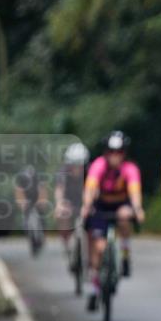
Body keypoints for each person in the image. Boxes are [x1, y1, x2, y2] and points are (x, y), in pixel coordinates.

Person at [80, 132, 145, 311]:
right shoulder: (98, 165)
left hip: (120, 204)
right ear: (106, 152)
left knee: (125, 216)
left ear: (124, 153)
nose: (115, 156)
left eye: (119, 152)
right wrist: (86, 206)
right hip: (101, 205)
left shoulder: (130, 169)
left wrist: (137, 209)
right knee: (98, 247)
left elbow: (134, 191)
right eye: (111, 152)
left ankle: (124, 252)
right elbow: (90, 187)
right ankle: (94, 287)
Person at [54, 142, 90, 257]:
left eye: (79, 164)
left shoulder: (90, 172)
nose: (76, 168)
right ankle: (66, 244)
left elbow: (91, 190)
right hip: (69, 201)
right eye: (73, 164)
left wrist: (87, 205)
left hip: (85, 200)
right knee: (62, 215)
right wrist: (59, 204)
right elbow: (59, 189)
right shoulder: (63, 172)